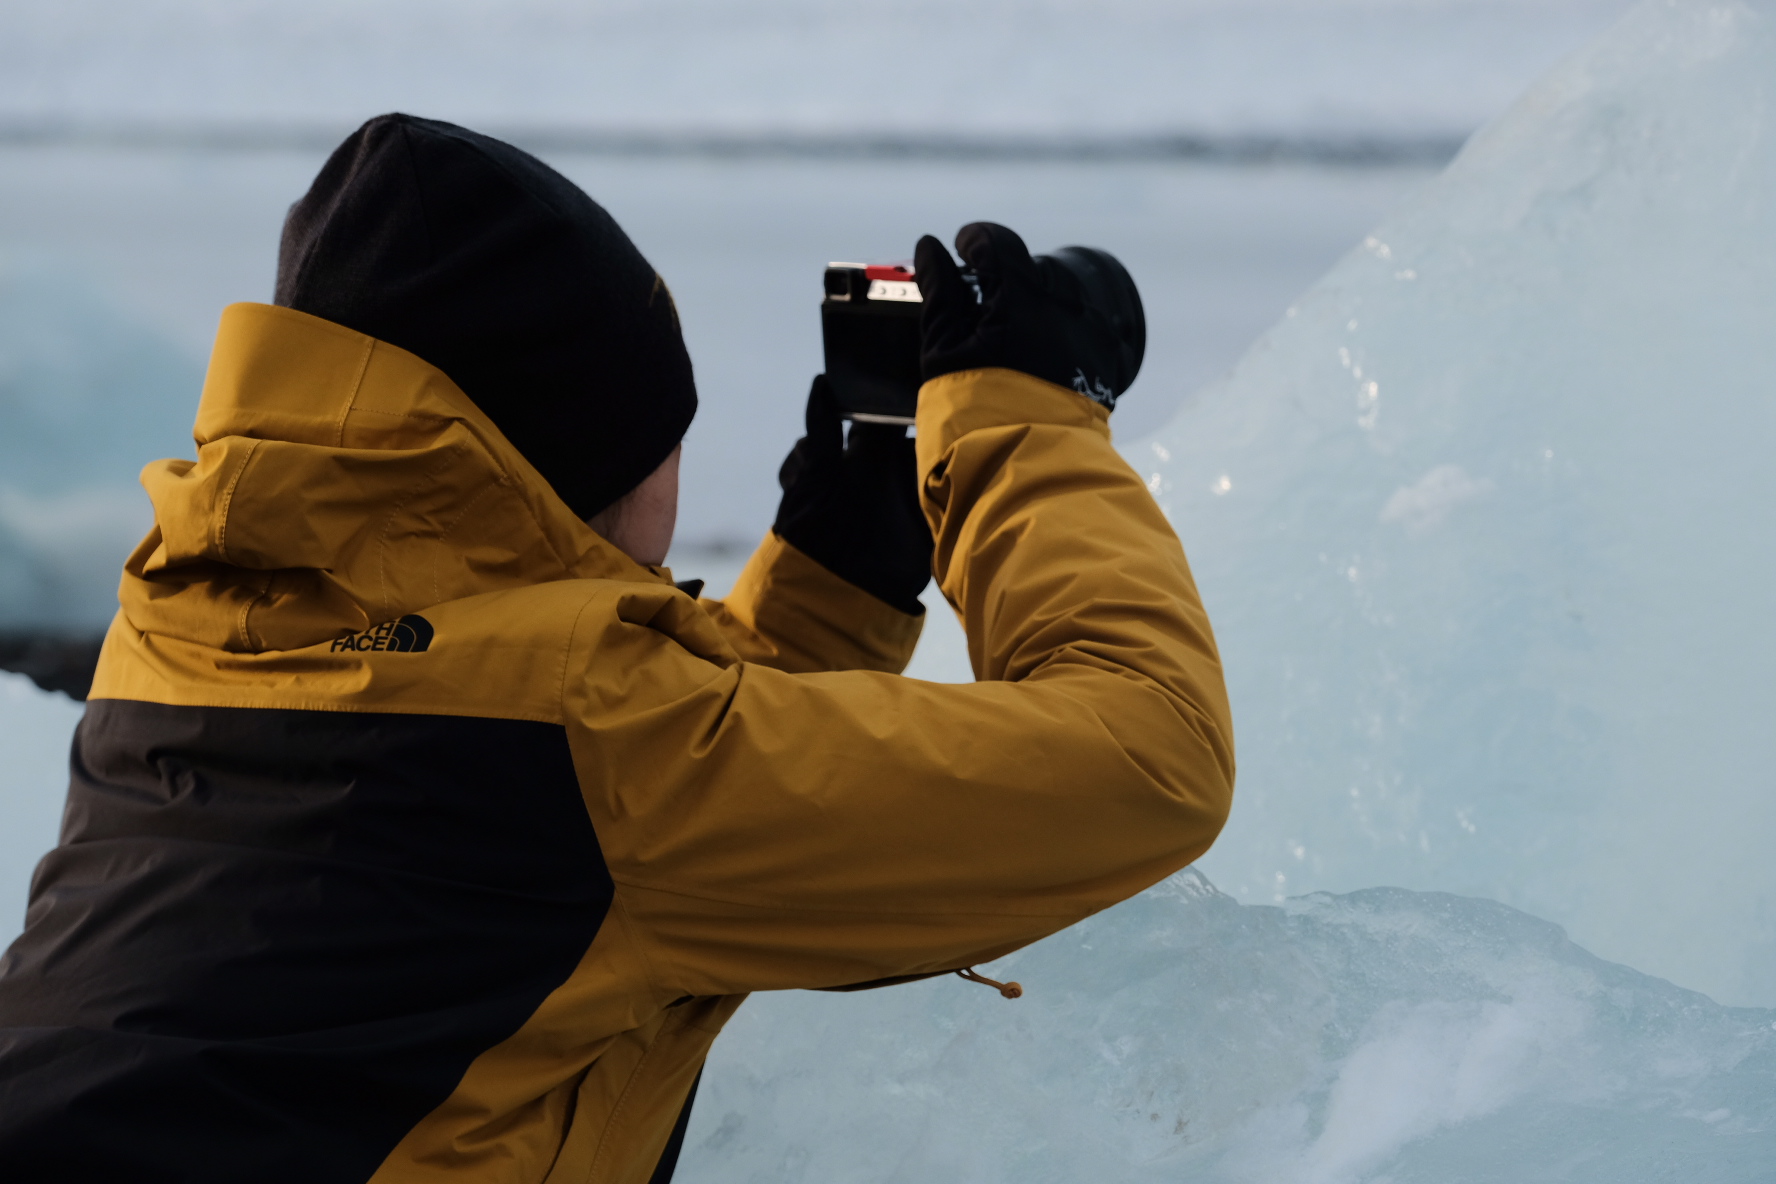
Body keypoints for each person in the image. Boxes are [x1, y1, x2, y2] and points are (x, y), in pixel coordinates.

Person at [0, 114, 1233, 1183]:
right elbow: (1153, 751)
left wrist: (841, 553)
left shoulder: (177, 625)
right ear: (569, 460)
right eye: (662, 433)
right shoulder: (602, 739)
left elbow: (593, 788)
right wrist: (1021, 419)